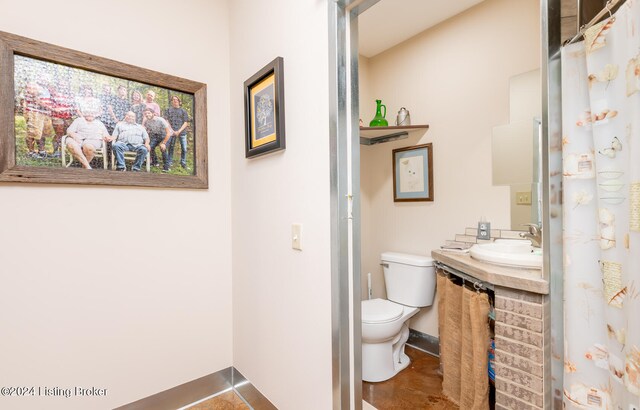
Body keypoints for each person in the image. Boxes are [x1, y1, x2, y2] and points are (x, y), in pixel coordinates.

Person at [21, 81, 53, 159]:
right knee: (31, 133)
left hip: (43, 113)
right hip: (34, 113)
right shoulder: (33, 85)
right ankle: (31, 152)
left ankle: (41, 151)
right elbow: (34, 98)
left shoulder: (45, 88)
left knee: (41, 133)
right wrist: (53, 109)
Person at [164, 95, 190, 169]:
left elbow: (186, 122)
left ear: (179, 101)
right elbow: (166, 120)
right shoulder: (168, 110)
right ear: (171, 101)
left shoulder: (183, 111)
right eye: (173, 100)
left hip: (182, 132)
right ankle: (169, 162)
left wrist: (179, 131)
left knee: (184, 148)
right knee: (171, 147)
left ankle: (183, 163)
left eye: (176, 100)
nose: (175, 101)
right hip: (171, 132)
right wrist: (172, 130)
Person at [143, 107, 171, 172]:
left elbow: (168, 133)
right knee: (150, 147)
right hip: (155, 136)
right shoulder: (147, 121)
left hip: (165, 135)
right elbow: (148, 131)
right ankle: (155, 162)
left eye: (149, 113)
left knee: (163, 148)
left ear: (153, 113)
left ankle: (166, 166)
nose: (147, 115)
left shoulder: (161, 120)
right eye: (145, 114)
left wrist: (163, 143)